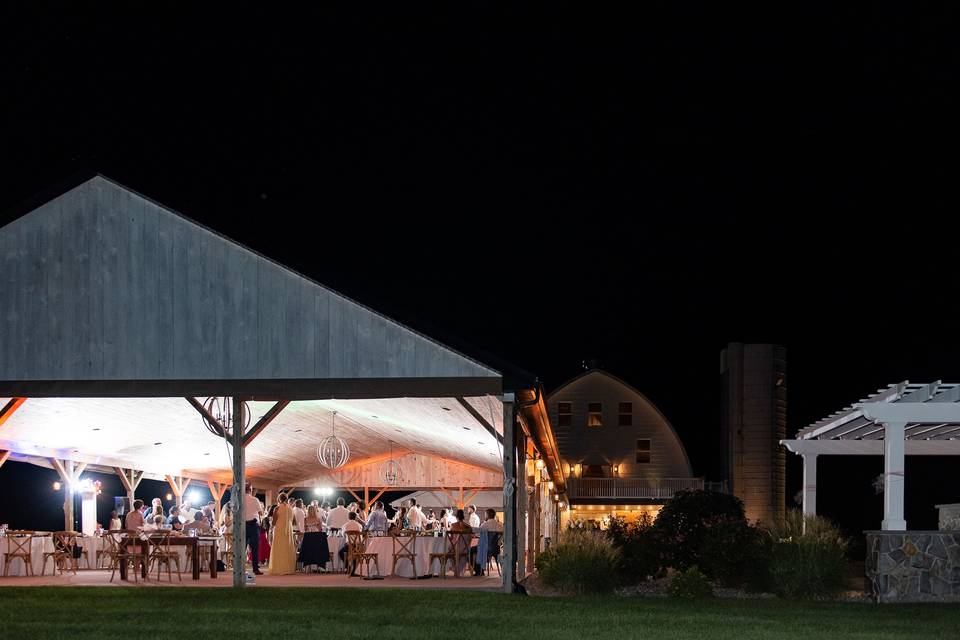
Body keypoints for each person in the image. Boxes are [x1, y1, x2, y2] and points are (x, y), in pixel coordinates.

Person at [268, 493, 296, 575]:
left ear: (279, 499)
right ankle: (288, 568)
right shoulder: (290, 508)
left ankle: (279, 568)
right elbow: (294, 521)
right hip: (289, 531)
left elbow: (273, 522)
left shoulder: (277, 508)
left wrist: (271, 523)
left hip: (279, 530)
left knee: (279, 548)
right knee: (287, 548)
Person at [244, 485, 264, 575]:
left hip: (243, 525)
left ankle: (241, 569)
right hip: (253, 525)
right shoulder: (255, 500)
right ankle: (255, 569)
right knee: (255, 548)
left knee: (242, 548)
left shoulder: (240, 500)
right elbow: (261, 512)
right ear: (250, 490)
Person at [338, 512, 363, 576]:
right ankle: (354, 569)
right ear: (355, 517)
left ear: (348, 517)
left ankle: (347, 566)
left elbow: (343, 535)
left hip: (349, 546)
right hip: (358, 546)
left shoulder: (345, 525)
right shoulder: (359, 525)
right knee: (355, 553)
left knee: (340, 552)